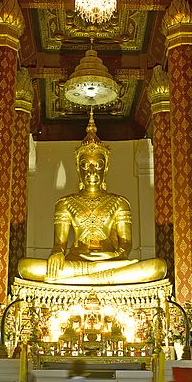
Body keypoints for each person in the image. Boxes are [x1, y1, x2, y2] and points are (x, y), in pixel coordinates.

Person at [16, 112, 167, 285]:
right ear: (78, 169)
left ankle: (81, 280)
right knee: (26, 267)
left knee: (158, 267)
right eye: (85, 166)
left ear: (106, 168)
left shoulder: (120, 203)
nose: (92, 172)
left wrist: (112, 257)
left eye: (98, 165)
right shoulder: (65, 203)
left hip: (110, 263)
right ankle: (91, 278)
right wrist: (57, 253)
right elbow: (59, 244)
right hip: (76, 263)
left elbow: (126, 246)